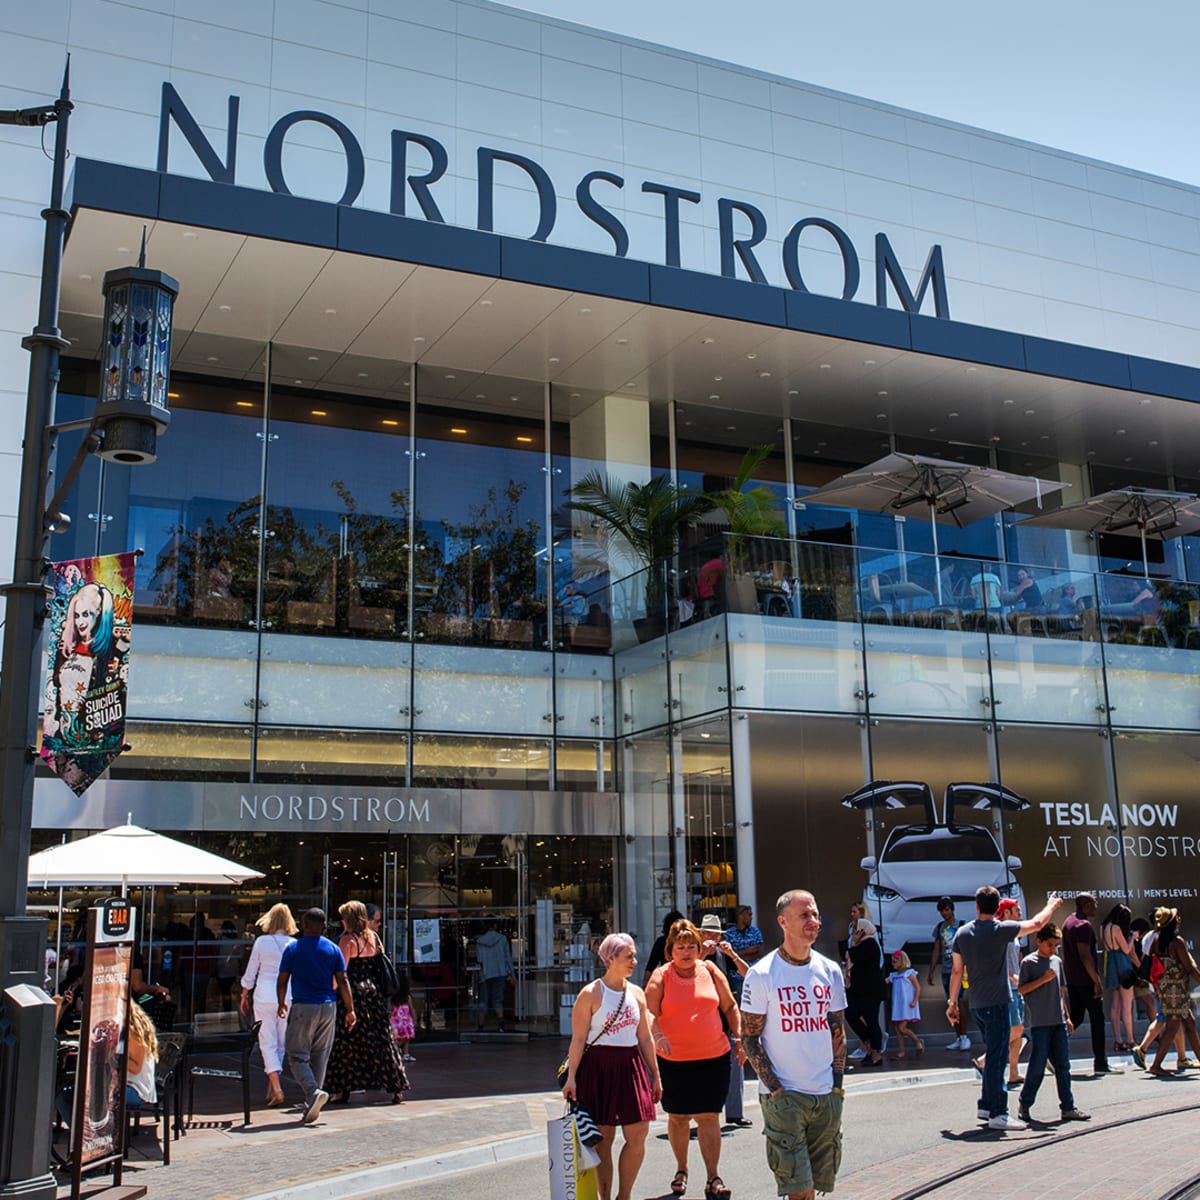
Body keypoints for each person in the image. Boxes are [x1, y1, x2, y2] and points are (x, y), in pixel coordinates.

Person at [741, 890, 847, 1200]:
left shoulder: (830, 971)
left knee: (814, 1186)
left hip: (824, 1094)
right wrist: (776, 1091)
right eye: (804, 915)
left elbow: (837, 1033)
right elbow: (749, 1038)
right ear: (782, 922)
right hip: (785, 1097)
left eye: (815, 914)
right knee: (798, 1189)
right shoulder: (762, 974)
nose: (813, 921)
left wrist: (837, 1088)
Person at [947, 885, 1060, 1130]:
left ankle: (986, 1105)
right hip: (997, 1002)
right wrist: (1050, 906)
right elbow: (1037, 923)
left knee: (993, 1053)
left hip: (976, 1004)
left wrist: (952, 1003)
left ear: (977, 906)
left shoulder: (963, 933)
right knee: (998, 1059)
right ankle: (999, 1112)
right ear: (997, 907)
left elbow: (956, 971)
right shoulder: (1001, 930)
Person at [561, 933, 660, 1200]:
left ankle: (624, 1195)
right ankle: (605, 1197)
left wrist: (655, 1075)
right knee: (603, 1137)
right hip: (598, 1067)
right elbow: (578, 1039)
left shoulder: (637, 993)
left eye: (634, 956)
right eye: (629, 956)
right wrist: (571, 1077)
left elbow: (645, 1038)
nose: (634, 961)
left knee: (638, 1133)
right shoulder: (590, 993)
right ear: (610, 958)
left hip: (630, 1065)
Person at [646, 919, 739, 1200]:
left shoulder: (710, 970)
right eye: (680, 947)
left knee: (710, 1116)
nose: (686, 952)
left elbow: (729, 1006)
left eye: (691, 947)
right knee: (678, 1118)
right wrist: (658, 1036)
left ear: (699, 949)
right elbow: (648, 1013)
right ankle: (681, 1169)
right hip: (673, 1060)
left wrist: (740, 1038)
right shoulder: (661, 976)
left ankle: (713, 1177)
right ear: (670, 951)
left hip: (714, 1057)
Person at [277, 907, 356, 1124]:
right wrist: (350, 1009)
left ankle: (313, 1093)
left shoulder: (293, 949)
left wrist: (281, 1002)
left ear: (304, 925)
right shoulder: (333, 949)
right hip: (329, 1006)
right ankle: (312, 1103)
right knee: (321, 1055)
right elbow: (343, 981)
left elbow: (282, 980)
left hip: (303, 1006)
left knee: (296, 1055)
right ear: (324, 926)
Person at [325, 900, 408, 1105]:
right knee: (382, 1040)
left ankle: (342, 1089)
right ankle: (395, 1084)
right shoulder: (373, 937)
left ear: (349, 919)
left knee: (346, 1042)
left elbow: (341, 973)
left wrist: (330, 988)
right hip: (374, 994)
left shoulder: (348, 940)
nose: (342, 921)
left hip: (352, 995)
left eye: (343, 918)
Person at [1015, 924, 1090, 1123]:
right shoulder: (1029, 962)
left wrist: (1067, 1016)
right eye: (1050, 945)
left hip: (1058, 1021)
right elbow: (1022, 989)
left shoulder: (1057, 961)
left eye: (1056, 945)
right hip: (1040, 1023)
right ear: (1039, 941)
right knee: (1037, 1066)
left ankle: (1068, 1106)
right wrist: (1042, 979)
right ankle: (1025, 1103)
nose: (1053, 949)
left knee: (1063, 1065)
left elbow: (1060, 991)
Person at [240, 902, 297, 1107]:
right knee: (280, 1042)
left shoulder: (262, 942)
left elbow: (251, 971)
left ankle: (276, 1087)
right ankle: (273, 1084)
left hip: (264, 994)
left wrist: (244, 994)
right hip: (286, 995)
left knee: (267, 1041)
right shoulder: (293, 943)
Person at [1061, 892, 1121, 1076]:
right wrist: (1096, 981)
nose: (1096, 905)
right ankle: (1101, 1063)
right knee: (1097, 1020)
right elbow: (1085, 955)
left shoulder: (1069, 922)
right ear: (1086, 905)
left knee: (1077, 1017)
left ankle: (1051, 1049)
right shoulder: (1083, 926)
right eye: (1094, 902)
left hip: (1073, 980)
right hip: (1086, 981)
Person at [720, 906, 764, 1128]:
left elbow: (755, 953)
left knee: (736, 1053)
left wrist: (737, 952)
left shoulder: (729, 949)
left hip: (743, 988)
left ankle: (734, 1112)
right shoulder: (698, 956)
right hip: (721, 1003)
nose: (750, 917)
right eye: (747, 914)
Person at [1147, 907, 1200, 1077]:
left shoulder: (1157, 941)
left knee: (1189, 1023)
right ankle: (1156, 1065)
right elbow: (1189, 967)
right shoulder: (1177, 942)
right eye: (1176, 917)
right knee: (1172, 1027)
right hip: (1177, 990)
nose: (1179, 919)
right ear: (1172, 923)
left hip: (1165, 989)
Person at [927, 898, 971, 1050]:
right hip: (946, 969)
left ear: (952, 909)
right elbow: (936, 949)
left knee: (959, 1000)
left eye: (946, 910)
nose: (944, 913)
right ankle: (958, 1036)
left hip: (960, 969)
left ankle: (965, 1036)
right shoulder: (940, 927)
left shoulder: (961, 925)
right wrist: (931, 970)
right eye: (942, 911)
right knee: (951, 1002)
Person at [845, 918, 885, 1068]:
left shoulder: (870, 944)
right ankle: (868, 1043)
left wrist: (853, 944)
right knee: (851, 1014)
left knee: (871, 1020)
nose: (855, 932)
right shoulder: (860, 944)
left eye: (857, 929)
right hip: (857, 990)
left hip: (870, 990)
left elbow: (855, 957)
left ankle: (876, 1054)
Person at [1101, 902, 1140, 1052]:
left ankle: (1118, 1040)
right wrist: (1132, 937)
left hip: (1111, 963)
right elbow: (1126, 949)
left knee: (1115, 1005)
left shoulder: (1103, 927)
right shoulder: (1116, 928)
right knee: (1127, 1005)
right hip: (1122, 964)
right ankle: (1130, 1039)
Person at [475, 918, 515, 1032]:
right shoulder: (502, 939)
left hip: (486, 974)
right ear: (495, 925)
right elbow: (507, 958)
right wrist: (512, 974)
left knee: (483, 1001)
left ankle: (480, 1026)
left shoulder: (480, 941)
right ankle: (501, 1025)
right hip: (500, 973)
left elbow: (479, 959)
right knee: (498, 1000)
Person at [886, 951, 923, 1059]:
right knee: (897, 1029)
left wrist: (915, 1001)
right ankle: (902, 1050)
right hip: (897, 1005)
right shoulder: (894, 976)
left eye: (894, 961)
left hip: (907, 1004)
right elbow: (884, 981)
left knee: (902, 1028)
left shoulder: (909, 974)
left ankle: (917, 1041)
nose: (892, 963)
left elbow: (917, 987)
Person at [125, 1001, 159, 1111]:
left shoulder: (132, 1032)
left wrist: (112, 1057)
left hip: (136, 1090)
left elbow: (136, 1068)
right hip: (129, 1086)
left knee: (92, 1095)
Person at [643, 910, 684, 983]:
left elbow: (651, 965)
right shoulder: (687, 942)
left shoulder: (661, 941)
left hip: (666, 978)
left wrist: (645, 984)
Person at [391, 972, 416, 1063]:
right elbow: (412, 1008)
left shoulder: (393, 999)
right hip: (406, 1022)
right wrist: (414, 1019)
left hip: (396, 1022)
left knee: (400, 1037)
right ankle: (402, 1051)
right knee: (406, 1037)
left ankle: (402, 1052)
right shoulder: (407, 998)